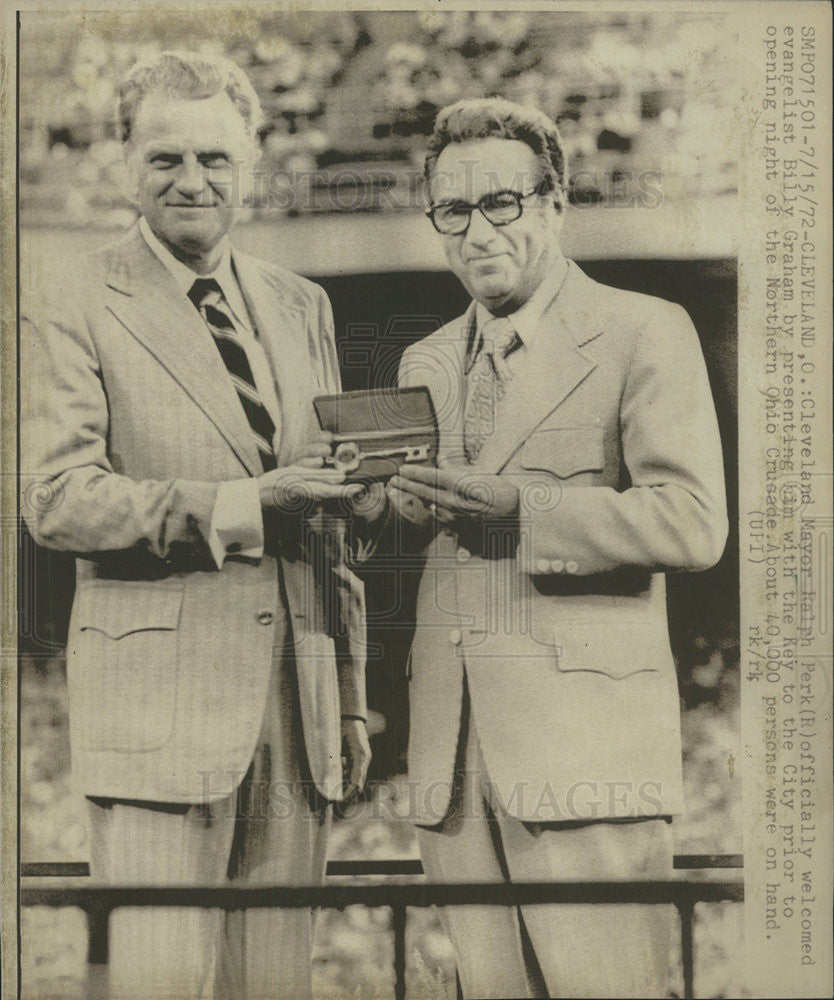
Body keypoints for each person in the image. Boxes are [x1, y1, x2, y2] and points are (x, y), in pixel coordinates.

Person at [21, 50, 373, 1000]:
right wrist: (241, 504)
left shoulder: (304, 305)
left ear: (252, 163)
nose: (193, 180)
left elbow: (329, 516)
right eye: (166, 157)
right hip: (155, 717)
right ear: (125, 164)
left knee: (277, 990)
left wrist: (346, 695)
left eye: (215, 158)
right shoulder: (72, 297)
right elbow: (55, 498)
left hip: (298, 719)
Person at [387, 98, 728, 999]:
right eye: (451, 211)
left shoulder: (644, 329)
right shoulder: (422, 361)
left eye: (500, 202)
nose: (475, 231)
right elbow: (429, 546)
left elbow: (692, 521)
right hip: (453, 765)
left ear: (554, 203)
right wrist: (388, 510)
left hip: (587, 757)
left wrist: (523, 511)